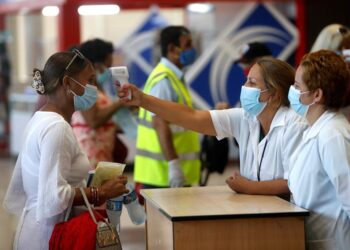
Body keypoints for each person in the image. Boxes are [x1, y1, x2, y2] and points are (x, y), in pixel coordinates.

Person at [119, 57, 307, 197]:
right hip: (258, 212)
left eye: (252, 82)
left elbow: (292, 183)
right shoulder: (246, 117)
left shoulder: (294, 124)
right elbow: (192, 116)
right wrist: (142, 99)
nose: (245, 86)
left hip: (287, 218)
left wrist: (248, 187)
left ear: (273, 94)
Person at [3, 50, 129, 250]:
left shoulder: (41, 118)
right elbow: (53, 197)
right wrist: (101, 191)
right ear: (68, 83)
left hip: (37, 230)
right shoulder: (57, 128)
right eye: (89, 80)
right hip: (51, 236)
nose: (94, 88)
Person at [287, 50, 350, 249]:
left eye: (297, 86)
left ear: (317, 94)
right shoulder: (316, 129)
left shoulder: (333, 135)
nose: (293, 92)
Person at [134, 25, 201, 197]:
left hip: (168, 175)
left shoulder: (174, 77)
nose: (192, 50)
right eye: (188, 45)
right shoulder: (163, 80)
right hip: (162, 176)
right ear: (172, 49)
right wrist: (174, 164)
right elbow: (159, 122)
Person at [71, 39, 127, 168]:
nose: (109, 71)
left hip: (101, 153)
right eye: (107, 66)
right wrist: (120, 103)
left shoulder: (97, 85)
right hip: (90, 156)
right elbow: (93, 121)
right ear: (95, 65)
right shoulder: (84, 86)